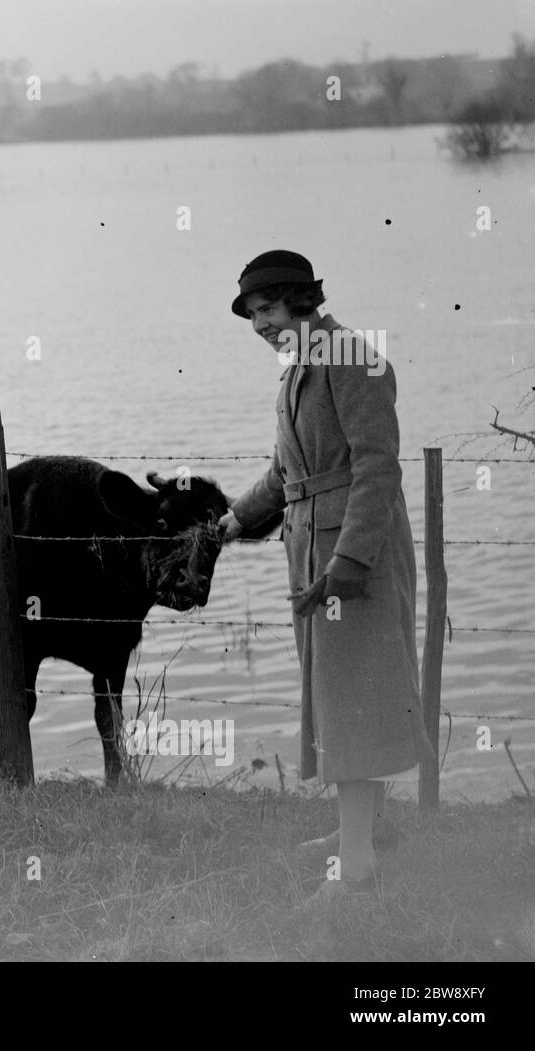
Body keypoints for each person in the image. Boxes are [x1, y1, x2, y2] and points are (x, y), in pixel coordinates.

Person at [218, 250, 429, 905]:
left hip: (352, 561)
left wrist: (348, 566)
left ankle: (358, 868)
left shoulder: (353, 359)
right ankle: (361, 830)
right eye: (252, 315)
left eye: (268, 309)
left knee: (356, 701)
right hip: (313, 558)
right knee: (341, 702)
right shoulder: (298, 369)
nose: (260, 325)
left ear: (302, 300)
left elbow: (377, 470)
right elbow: (288, 474)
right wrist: (231, 520)